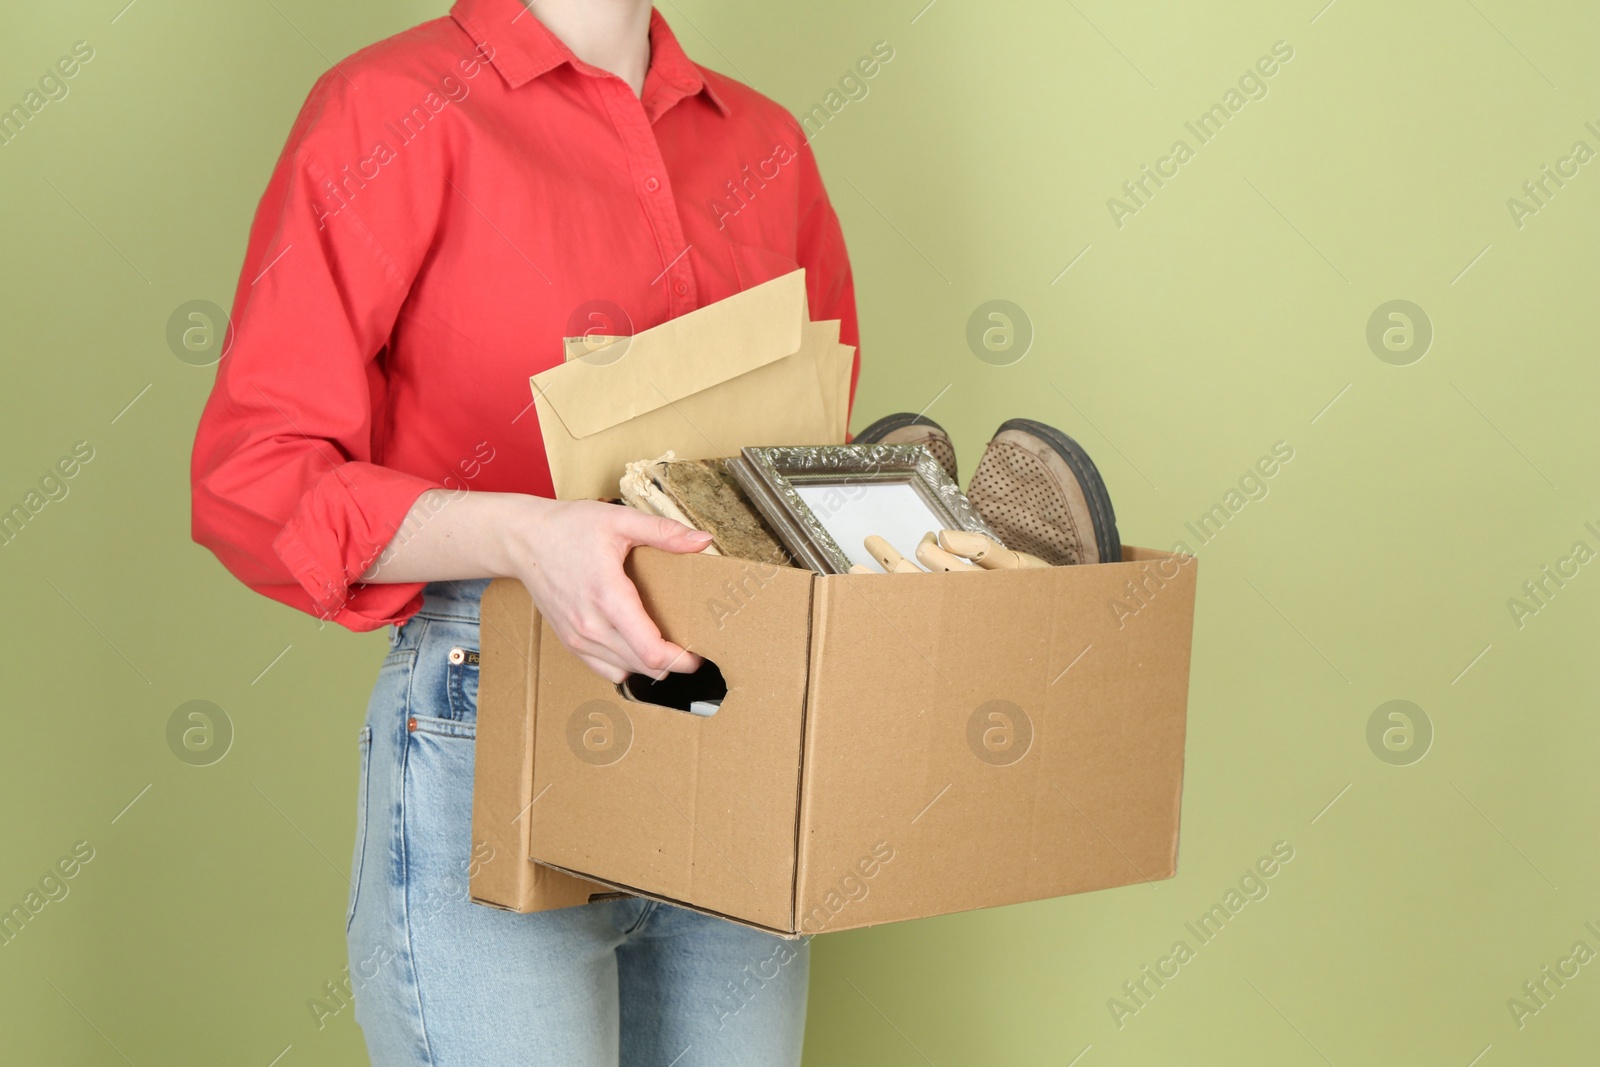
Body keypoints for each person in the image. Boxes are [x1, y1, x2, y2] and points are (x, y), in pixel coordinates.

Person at [189, 0, 859, 1062]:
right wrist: (523, 535)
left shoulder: (763, 143)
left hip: (736, 717)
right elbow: (256, 477)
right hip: (489, 709)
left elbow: (805, 464)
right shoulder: (389, 109)